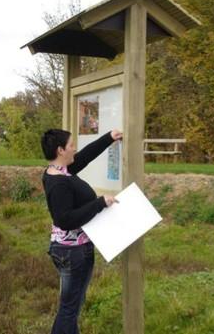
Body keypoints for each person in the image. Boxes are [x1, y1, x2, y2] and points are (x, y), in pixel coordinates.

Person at [41, 129, 122, 334]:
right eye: (71, 145)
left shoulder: (58, 170)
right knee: (69, 309)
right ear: (61, 150)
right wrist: (100, 203)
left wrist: (109, 137)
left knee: (71, 305)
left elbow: (85, 156)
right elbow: (65, 220)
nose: (75, 148)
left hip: (68, 250)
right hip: (73, 252)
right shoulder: (60, 183)